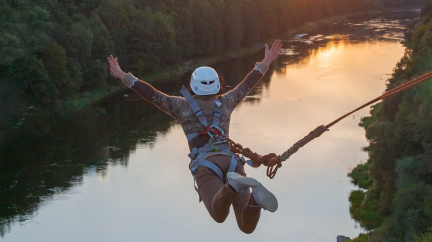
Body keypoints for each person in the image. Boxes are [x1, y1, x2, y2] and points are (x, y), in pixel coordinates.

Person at [108, 40, 282, 234]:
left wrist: (123, 75)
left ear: (193, 86)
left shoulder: (181, 106)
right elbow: (247, 84)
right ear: (217, 86)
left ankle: (233, 186)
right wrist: (266, 60)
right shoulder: (227, 101)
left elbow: (152, 94)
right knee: (246, 226)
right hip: (233, 162)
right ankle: (255, 202)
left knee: (218, 214)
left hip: (206, 164)